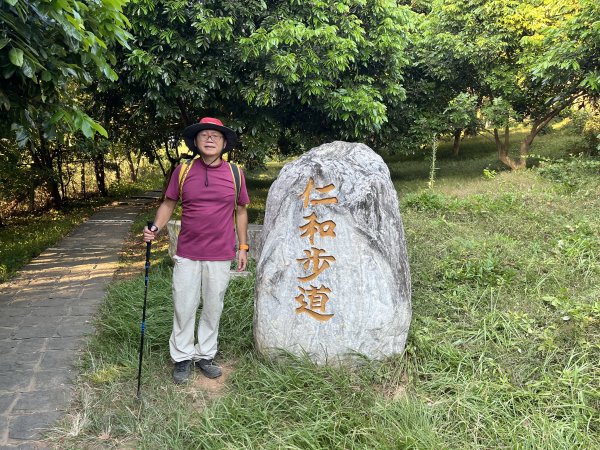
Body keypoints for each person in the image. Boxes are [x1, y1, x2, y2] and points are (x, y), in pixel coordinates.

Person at [143, 117, 250, 384]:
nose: (210, 139)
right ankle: (182, 357)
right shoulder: (183, 171)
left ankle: (205, 354)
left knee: (213, 306)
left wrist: (243, 247)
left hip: (221, 252)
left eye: (216, 136)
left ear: (224, 143)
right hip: (188, 251)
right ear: (196, 141)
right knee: (184, 305)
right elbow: (168, 204)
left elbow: (241, 211)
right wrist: (155, 228)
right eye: (205, 135)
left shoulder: (236, 173)